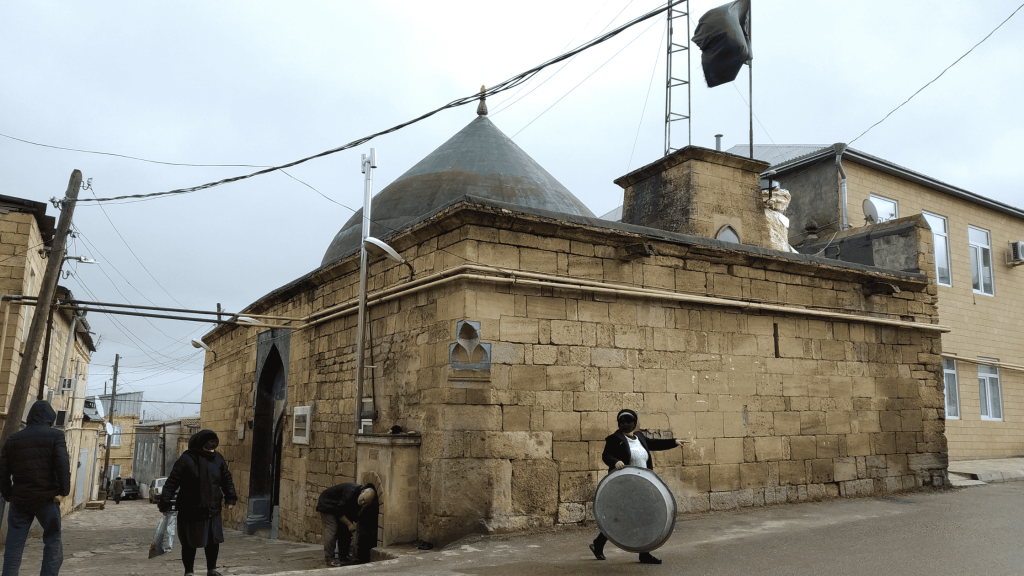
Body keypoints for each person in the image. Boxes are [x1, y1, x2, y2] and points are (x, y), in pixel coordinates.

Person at [589, 409, 684, 565]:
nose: (625, 425)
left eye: (629, 421)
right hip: (625, 486)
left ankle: (642, 553)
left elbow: (654, 444)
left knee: (643, 516)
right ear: (618, 424)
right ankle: (600, 544)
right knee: (621, 517)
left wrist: (674, 442)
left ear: (635, 423)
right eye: (622, 422)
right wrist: (615, 462)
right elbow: (606, 455)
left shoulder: (639, 437)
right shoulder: (614, 439)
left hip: (643, 485)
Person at [0, 400, 71, 576]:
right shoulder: (55, 436)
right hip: (47, 499)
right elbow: (62, 465)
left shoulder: (13, 439)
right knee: (53, 542)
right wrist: (64, 492)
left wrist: (8, 494)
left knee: (13, 547)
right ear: (50, 419)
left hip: (20, 500)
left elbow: (2, 470)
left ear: (30, 417)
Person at [159, 430, 236, 576]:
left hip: (213, 507)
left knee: (213, 540)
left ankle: (211, 570)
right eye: (209, 441)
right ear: (200, 443)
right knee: (189, 542)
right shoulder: (186, 459)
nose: (213, 444)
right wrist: (165, 502)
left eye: (215, 440)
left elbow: (226, 479)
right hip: (190, 508)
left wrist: (230, 497)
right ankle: (189, 572)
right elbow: (172, 482)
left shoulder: (218, 458)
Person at [316, 483, 376, 566]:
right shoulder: (350, 493)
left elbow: (350, 514)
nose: (363, 503)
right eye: (363, 499)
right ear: (362, 491)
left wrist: (349, 524)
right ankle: (329, 558)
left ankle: (344, 556)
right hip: (327, 503)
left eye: (366, 503)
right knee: (332, 529)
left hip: (339, 506)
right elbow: (339, 511)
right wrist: (349, 524)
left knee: (345, 529)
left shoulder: (362, 500)